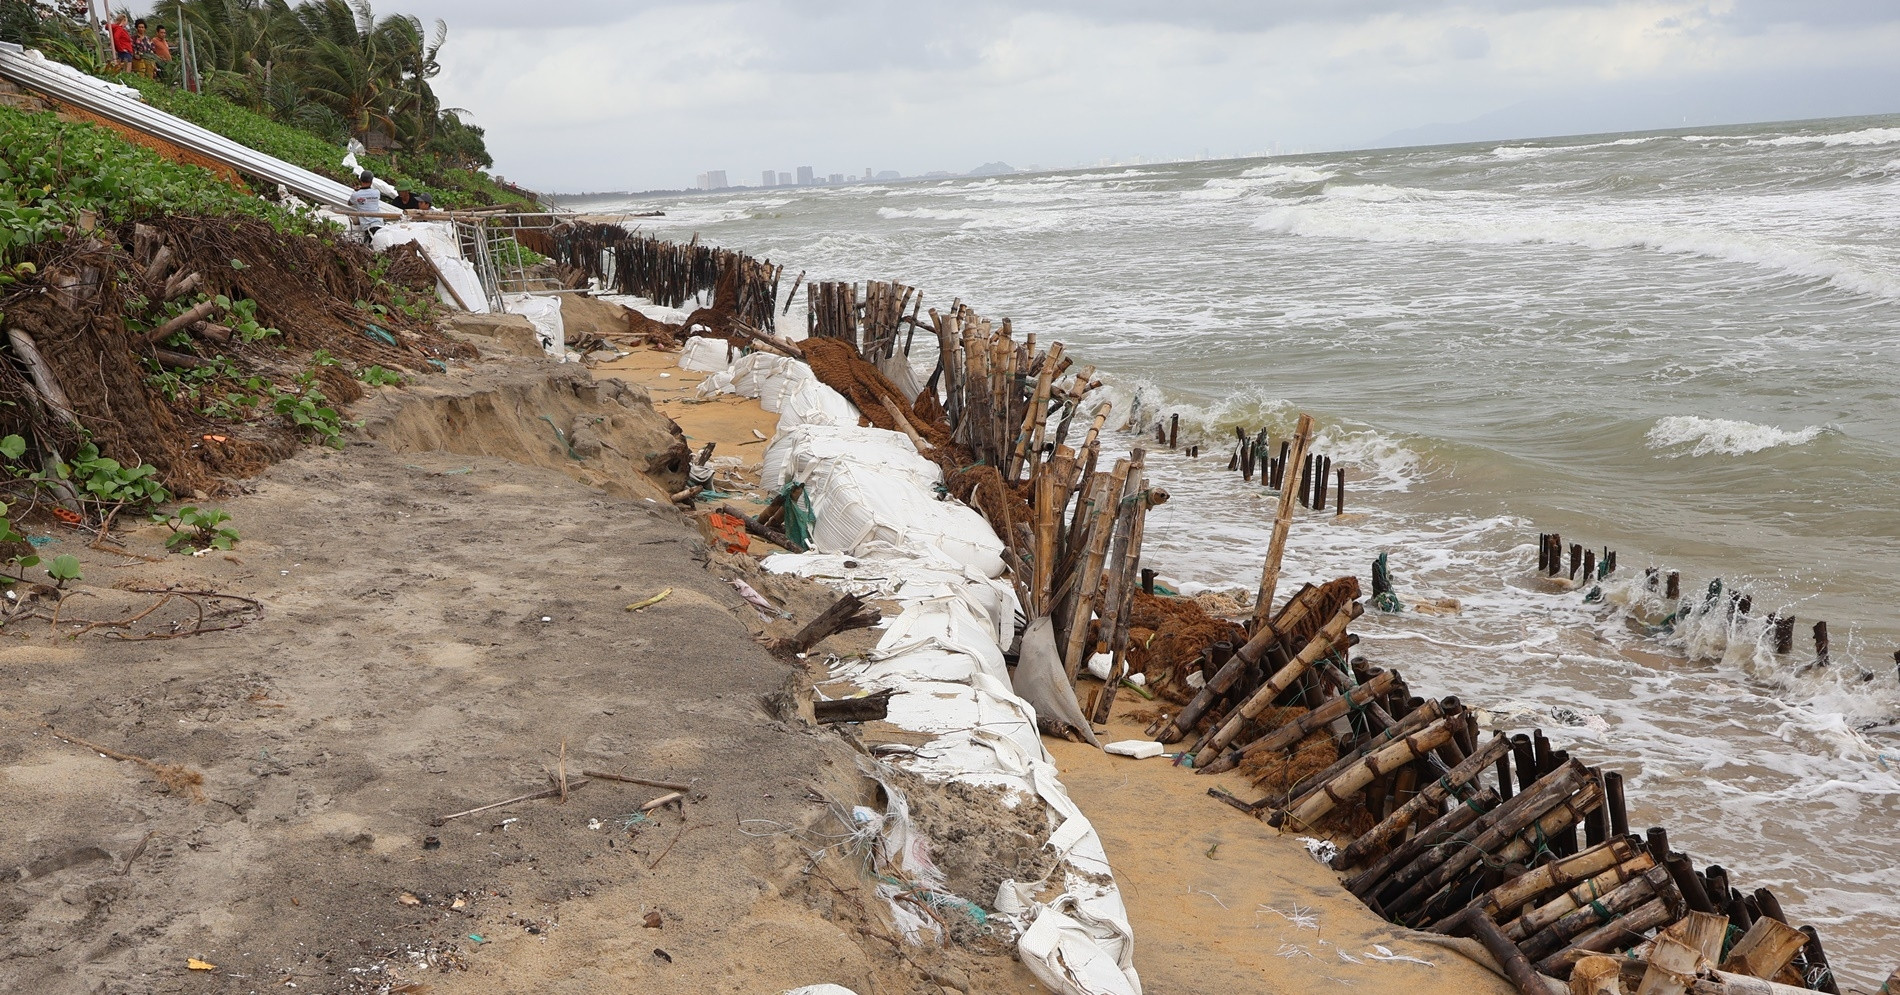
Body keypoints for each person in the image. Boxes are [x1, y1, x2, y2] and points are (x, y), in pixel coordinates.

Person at [348, 171, 388, 241]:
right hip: (379, 224)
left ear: (360, 180)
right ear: (371, 181)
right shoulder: (376, 192)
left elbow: (349, 203)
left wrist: (357, 191)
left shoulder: (356, 195)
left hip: (367, 227)